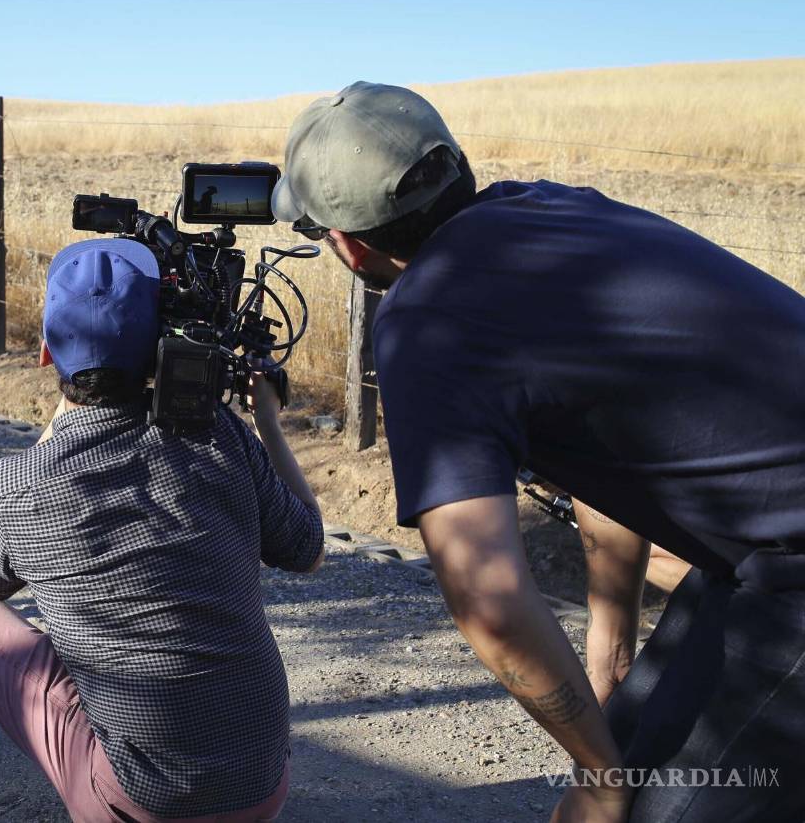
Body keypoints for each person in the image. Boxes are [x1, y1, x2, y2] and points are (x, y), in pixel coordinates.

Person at [271, 81, 805, 822]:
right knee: (625, 744)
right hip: (758, 557)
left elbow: (487, 596)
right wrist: (611, 641)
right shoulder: (556, 206)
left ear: (349, 245)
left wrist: (600, 779)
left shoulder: (429, 321)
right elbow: (610, 438)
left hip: (787, 565)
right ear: (453, 162)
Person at [0, 238, 325, 822]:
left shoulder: (17, 484)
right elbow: (309, 549)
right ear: (159, 348)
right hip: (262, 787)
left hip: (137, 805)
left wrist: (58, 430)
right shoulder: (223, 437)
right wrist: (267, 421)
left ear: (45, 353)